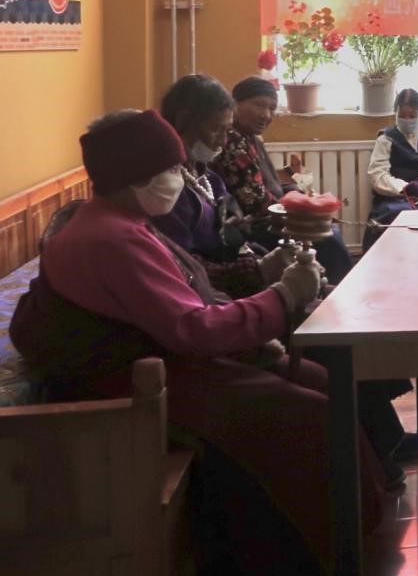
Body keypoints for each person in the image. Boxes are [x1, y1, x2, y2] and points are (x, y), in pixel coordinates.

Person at [9, 109, 382, 572]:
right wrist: (283, 297)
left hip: (158, 361)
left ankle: (352, 529)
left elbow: (188, 287)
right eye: (170, 168)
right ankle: (310, 553)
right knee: (309, 414)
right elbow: (194, 330)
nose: (180, 177)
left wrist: (258, 296)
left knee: (320, 380)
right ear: (135, 174)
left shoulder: (119, 219)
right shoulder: (110, 239)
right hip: (130, 387)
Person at [214, 76, 354, 283]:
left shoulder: (249, 137)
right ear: (235, 103)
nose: (266, 114)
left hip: (267, 218)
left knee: (328, 229)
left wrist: (299, 197)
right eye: (259, 105)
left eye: (272, 108)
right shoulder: (232, 141)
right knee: (328, 238)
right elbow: (256, 203)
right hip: (254, 227)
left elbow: (265, 184)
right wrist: (306, 212)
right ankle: (336, 291)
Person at [154, 73, 270, 298]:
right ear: (182, 121)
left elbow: (229, 225)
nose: (224, 141)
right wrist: (258, 271)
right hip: (204, 294)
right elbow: (185, 269)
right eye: (216, 129)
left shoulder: (205, 175)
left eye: (227, 131)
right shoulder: (166, 191)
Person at [363, 89, 418, 252]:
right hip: (395, 197)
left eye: (412, 115)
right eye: (402, 115)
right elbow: (377, 174)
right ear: (395, 112)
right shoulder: (385, 139)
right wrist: (404, 188)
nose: (407, 120)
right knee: (398, 215)